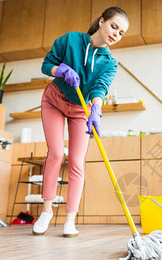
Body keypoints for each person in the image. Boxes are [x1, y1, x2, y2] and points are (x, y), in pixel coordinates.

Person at [32, 7, 129, 237]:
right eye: (114, 26)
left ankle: (70, 220)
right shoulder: (72, 39)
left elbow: (100, 87)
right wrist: (60, 69)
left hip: (80, 110)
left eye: (121, 32)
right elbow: (46, 64)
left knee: (76, 161)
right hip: (54, 100)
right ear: (102, 21)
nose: (116, 34)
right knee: (56, 153)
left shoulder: (110, 63)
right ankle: (46, 212)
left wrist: (96, 107)